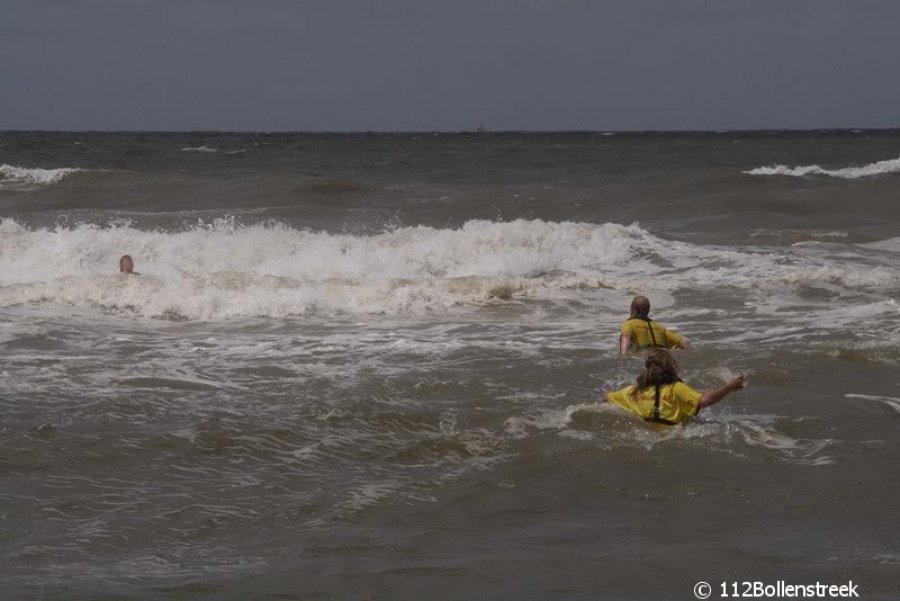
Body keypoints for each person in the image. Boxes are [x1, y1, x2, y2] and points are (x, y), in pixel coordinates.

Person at [603, 349, 745, 425]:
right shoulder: (676, 388)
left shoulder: (634, 390)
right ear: (671, 368)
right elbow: (705, 401)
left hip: (645, 434)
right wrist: (729, 387)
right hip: (673, 436)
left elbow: (606, 399)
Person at [619, 295, 691, 354]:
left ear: (633, 309)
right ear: (648, 310)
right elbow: (685, 343)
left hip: (643, 357)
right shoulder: (661, 328)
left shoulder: (629, 324)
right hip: (661, 357)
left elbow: (626, 335)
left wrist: (623, 355)